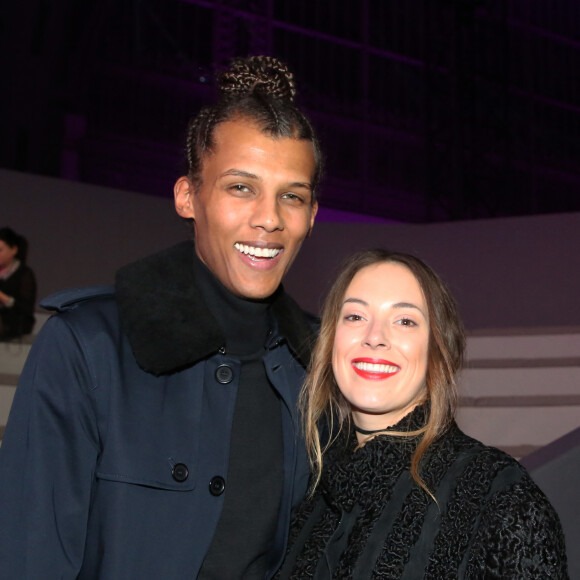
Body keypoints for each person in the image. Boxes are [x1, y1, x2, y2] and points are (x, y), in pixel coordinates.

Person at [0, 56, 321, 579]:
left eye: (292, 196)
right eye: (241, 187)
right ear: (187, 196)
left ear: (311, 215)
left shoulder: (320, 370)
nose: (269, 218)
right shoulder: (87, 346)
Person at [277, 249, 568, 579]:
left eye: (404, 321)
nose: (374, 337)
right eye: (355, 317)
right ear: (330, 340)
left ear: (438, 351)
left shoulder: (499, 496)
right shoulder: (306, 492)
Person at [0, 227, 36, 340]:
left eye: (0, 250)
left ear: (14, 250)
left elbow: (25, 308)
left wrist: (3, 297)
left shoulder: (24, 273)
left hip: (16, 322)